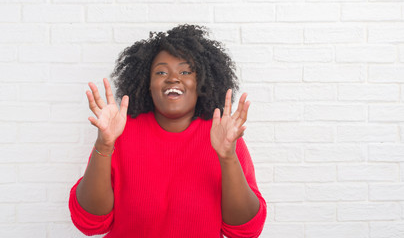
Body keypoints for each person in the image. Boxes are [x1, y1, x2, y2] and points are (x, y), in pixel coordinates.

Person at [69, 24, 267, 238]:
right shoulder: (119, 132)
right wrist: (104, 146)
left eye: (185, 71)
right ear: (147, 84)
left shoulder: (222, 135)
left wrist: (228, 157)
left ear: (201, 83)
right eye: (161, 72)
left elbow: (245, 229)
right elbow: (90, 222)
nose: (173, 78)